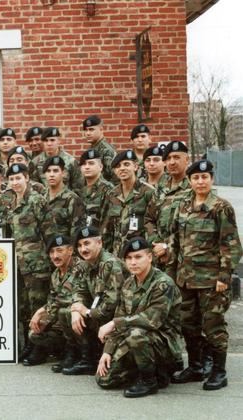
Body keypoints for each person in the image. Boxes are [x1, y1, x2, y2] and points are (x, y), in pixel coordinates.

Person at [167, 159, 242, 391]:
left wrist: (224, 276)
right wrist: (172, 274)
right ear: (189, 181)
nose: (200, 181)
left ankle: (219, 372)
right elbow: (175, 242)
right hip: (186, 279)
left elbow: (231, 245)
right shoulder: (183, 206)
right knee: (188, 325)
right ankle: (197, 366)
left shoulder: (221, 207)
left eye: (205, 177)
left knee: (213, 327)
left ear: (211, 179)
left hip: (211, 281)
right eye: (196, 178)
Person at [96, 237, 183, 398]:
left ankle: (149, 381)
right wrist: (107, 351)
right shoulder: (129, 284)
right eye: (129, 258)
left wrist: (114, 323)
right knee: (104, 380)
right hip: (139, 339)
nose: (133, 262)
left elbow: (151, 320)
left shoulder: (163, 283)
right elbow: (120, 318)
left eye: (138, 257)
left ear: (149, 257)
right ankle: (155, 372)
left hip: (164, 343)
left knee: (135, 333)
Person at [65, 226, 125, 376]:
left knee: (108, 379)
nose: (83, 249)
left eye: (87, 243)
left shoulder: (111, 265)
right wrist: (75, 309)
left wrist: (85, 311)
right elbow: (79, 290)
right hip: (99, 315)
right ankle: (88, 360)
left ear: (99, 243)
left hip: (117, 319)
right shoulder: (86, 264)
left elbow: (111, 305)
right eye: (79, 245)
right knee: (66, 313)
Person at [6, 163, 51, 355]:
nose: (15, 182)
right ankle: (28, 344)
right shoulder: (10, 203)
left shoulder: (36, 200)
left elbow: (49, 232)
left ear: (27, 178)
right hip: (18, 264)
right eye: (12, 179)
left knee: (37, 304)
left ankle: (39, 347)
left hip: (36, 263)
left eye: (18, 178)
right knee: (23, 305)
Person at [24, 235, 82, 368]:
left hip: (80, 317)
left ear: (71, 250)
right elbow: (53, 299)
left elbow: (70, 299)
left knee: (64, 312)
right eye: (52, 252)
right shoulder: (56, 275)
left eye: (59, 251)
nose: (55, 256)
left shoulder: (81, 268)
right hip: (62, 321)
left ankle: (76, 353)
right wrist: (44, 321)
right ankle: (57, 350)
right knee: (35, 332)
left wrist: (42, 310)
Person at [145, 141, 191, 270]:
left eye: (177, 157)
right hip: (159, 258)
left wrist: (166, 246)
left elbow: (193, 227)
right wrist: (156, 243)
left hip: (184, 260)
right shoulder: (161, 187)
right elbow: (149, 218)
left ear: (187, 160)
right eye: (168, 158)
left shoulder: (195, 187)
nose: (172, 162)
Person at [101, 150, 154, 256]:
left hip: (139, 254)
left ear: (135, 167)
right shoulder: (112, 194)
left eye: (126, 164)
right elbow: (107, 228)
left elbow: (154, 225)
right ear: (115, 171)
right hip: (117, 255)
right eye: (118, 166)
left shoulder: (148, 192)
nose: (122, 168)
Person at [42, 156, 85, 238]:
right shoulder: (41, 198)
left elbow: (76, 233)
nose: (51, 175)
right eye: (48, 171)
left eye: (55, 171)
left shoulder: (72, 199)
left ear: (63, 173)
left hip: (63, 248)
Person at [31, 127, 83, 192]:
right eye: (46, 141)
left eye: (52, 140)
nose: (49, 144)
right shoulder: (35, 162)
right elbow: (33, 187)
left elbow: (78, 187)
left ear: (59, 141)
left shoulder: (71, 161)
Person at [78, 149, 113, 228]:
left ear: (100, 167)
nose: (87, 167)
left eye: (91, 163)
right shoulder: (79, 189)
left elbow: (108, 221)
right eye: (84, 164)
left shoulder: (107, 189)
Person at [82, 115, 116, 182]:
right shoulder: (91, 149)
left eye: (91, 129)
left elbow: (115, 177)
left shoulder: (107, 150)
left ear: (101, 129)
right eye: (86, 130)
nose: (88, 133)